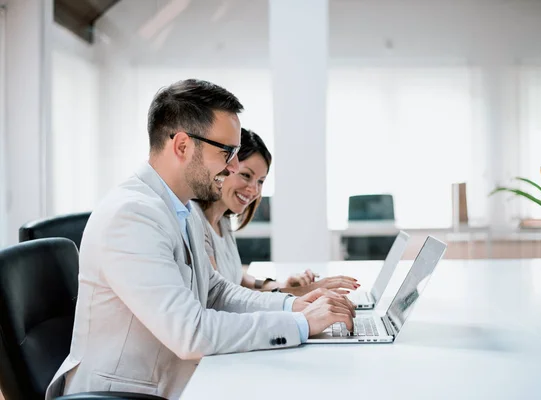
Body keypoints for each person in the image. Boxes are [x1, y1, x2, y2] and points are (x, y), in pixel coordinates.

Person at [46, 79, 355, 400]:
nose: (234, 166)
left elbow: (216, 291)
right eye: (227, 152)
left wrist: (291, 305)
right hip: (128, 393)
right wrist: (300, 324)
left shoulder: (181, 208)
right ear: (182, 146)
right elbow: (190, 334)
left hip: (177, 378)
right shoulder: (132, 216)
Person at [194, 128, 359, 296]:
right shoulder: (196, 221)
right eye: (245, 175)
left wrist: (279, 285)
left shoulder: (223, 220)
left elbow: (239, 278)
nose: (253, 189)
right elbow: (221, 296)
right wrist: (301, 292)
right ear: (226, 168)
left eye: (261, 181)